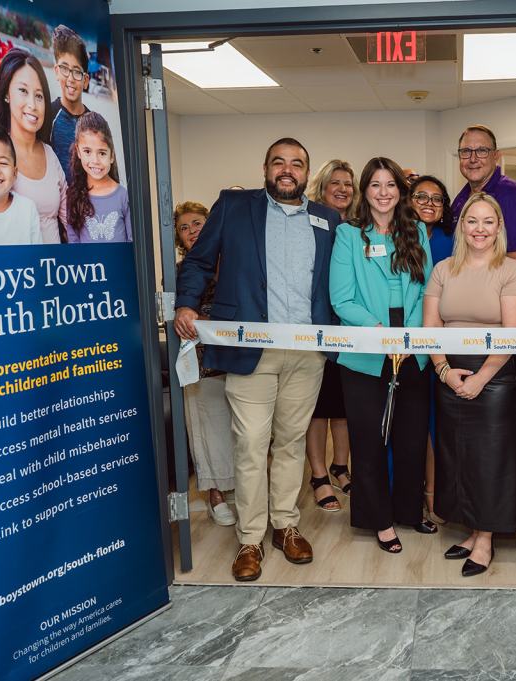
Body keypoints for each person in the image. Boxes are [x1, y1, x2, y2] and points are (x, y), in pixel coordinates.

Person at [175, 137, 341, 581]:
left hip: (307, 352)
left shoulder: (328, 218)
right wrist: (186, 304)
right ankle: (250, 538)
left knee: (290, 443)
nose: (288, 170)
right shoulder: (234, 207)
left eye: (297, 163)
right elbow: (198, 261)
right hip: (251, 348)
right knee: (250, 444)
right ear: (265, 168)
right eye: (279, 162)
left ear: (308, 173)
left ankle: (285, 525)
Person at [329, 156, 435, 553]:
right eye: (375, 185)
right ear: (365, 190)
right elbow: (341, 299)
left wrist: (408, 338)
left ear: (400, 190)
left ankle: (409, 511)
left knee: (410, 438)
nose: (384, 192)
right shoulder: (348, 235)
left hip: (412, 352)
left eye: (391, 184)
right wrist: (380, 336)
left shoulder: (417, 232)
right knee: (369, 441)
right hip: (364, 354)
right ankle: (378, 520)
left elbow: (427, 291)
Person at [424, 192, 516, 577]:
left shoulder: (511, 272)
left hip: (496, 377)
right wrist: (443, 370)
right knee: (457, 456)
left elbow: (513, 334)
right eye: (472, 221)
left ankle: (485, 538)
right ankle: (471, 528)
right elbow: (430, 327)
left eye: (488, 221)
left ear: (499, 227)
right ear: (462, 227)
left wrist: (482, 378)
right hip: (449, 374)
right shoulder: (443, 269)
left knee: (489, 460)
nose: (480, 229)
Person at [174, 201, 237, 526]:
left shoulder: (232, 262)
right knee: (207, 431)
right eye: (184, 228)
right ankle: (215, 495)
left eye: (197, 223)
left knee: (238, 431)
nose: (192, 231)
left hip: (239, 361)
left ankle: (237, 488)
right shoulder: (179, 273)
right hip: (201, 365)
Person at [305, 160, 357, 511]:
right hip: (315, 325)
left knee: (343, 405)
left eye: (348, 184)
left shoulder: (355, 226)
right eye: (334, 183)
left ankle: (341, 465)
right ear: (321, 187)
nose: (342, 189)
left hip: (350, 327)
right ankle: (319, 475)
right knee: (317, 406)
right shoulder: (307, 223)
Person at [409, 174, 454, 525]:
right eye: (421, 196)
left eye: (436, 199)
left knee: (439, 426)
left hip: (445, 345)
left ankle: (435, 495)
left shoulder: (453, 241)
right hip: (406, 347)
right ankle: (408, 496)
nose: (428, 203)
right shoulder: (394, 236)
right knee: (410, 425)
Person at [0, 48, 67, 244]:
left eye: (39, 96)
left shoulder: (50, 154)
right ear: (7, 94)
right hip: (13, 271)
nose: (33, 104)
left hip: (55, 270)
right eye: (23, 91)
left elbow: (69, 223)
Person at [450, 125, 516, 263]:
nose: (473, 159)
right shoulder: (461, 197)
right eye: (466, 151)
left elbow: (515, 259)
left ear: (496, 156)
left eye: (482, 151)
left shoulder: (509, 194)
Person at [65, 112, 132, 243]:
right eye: (87, 152)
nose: (95, 160)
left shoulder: (123, 196)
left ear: (111, 155)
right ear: (78, 151)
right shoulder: (73, 197)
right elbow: (74, 244)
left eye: (102, 153)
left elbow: (132, 242)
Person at [49, 25, 91, 181]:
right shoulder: (48, 116)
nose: (71, 79)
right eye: (65, 69)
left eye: (77, 72)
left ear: (86, 80)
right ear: (57, 72)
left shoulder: (93, 123)